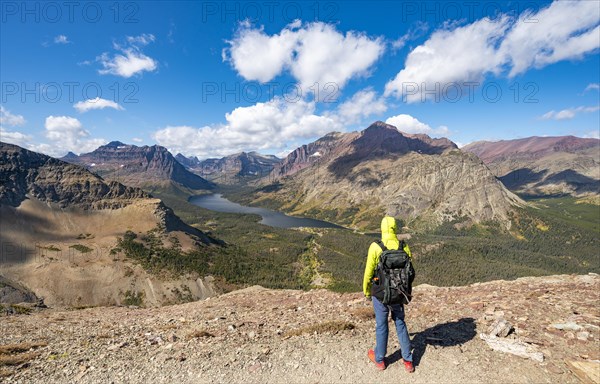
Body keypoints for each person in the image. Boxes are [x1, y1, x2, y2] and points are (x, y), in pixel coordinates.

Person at [363, 216, 414, 373]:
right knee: (400, 322)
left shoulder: (376, 247)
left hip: (380, 294)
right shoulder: (403, 246)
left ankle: (380, 360)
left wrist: (366, 291)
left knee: (382, 324)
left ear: (382, 228)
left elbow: (368, 272)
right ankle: (408, 361)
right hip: (398, 292)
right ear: (394, 228)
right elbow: (410, 272)